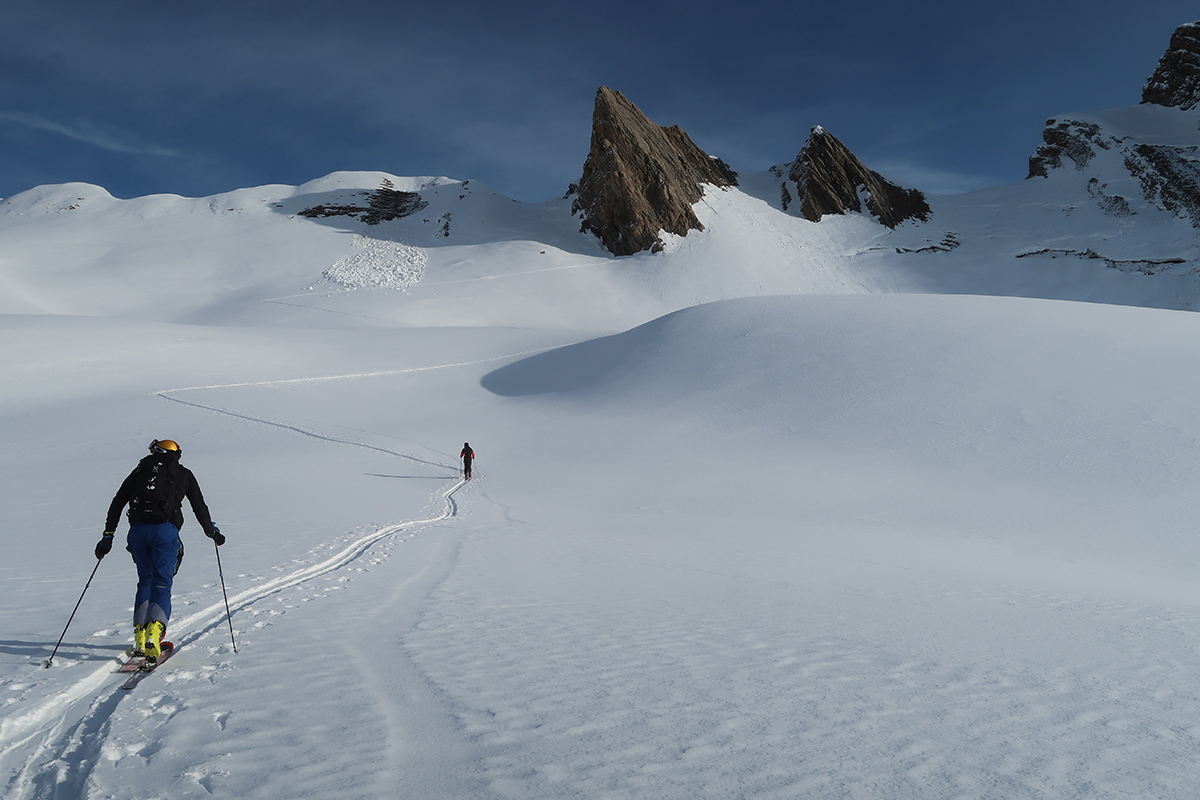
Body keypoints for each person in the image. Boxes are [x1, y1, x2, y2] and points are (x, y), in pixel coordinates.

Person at [95, 439, 224, 663]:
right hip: (165, 532)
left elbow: (117, 502)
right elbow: (199, 506)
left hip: (137, 533)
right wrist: (212, 532)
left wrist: (108, 536)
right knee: (162, 582)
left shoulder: (140, 471)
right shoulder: (184, 474)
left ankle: (140, 636)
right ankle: (154, 634)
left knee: (145, 580)